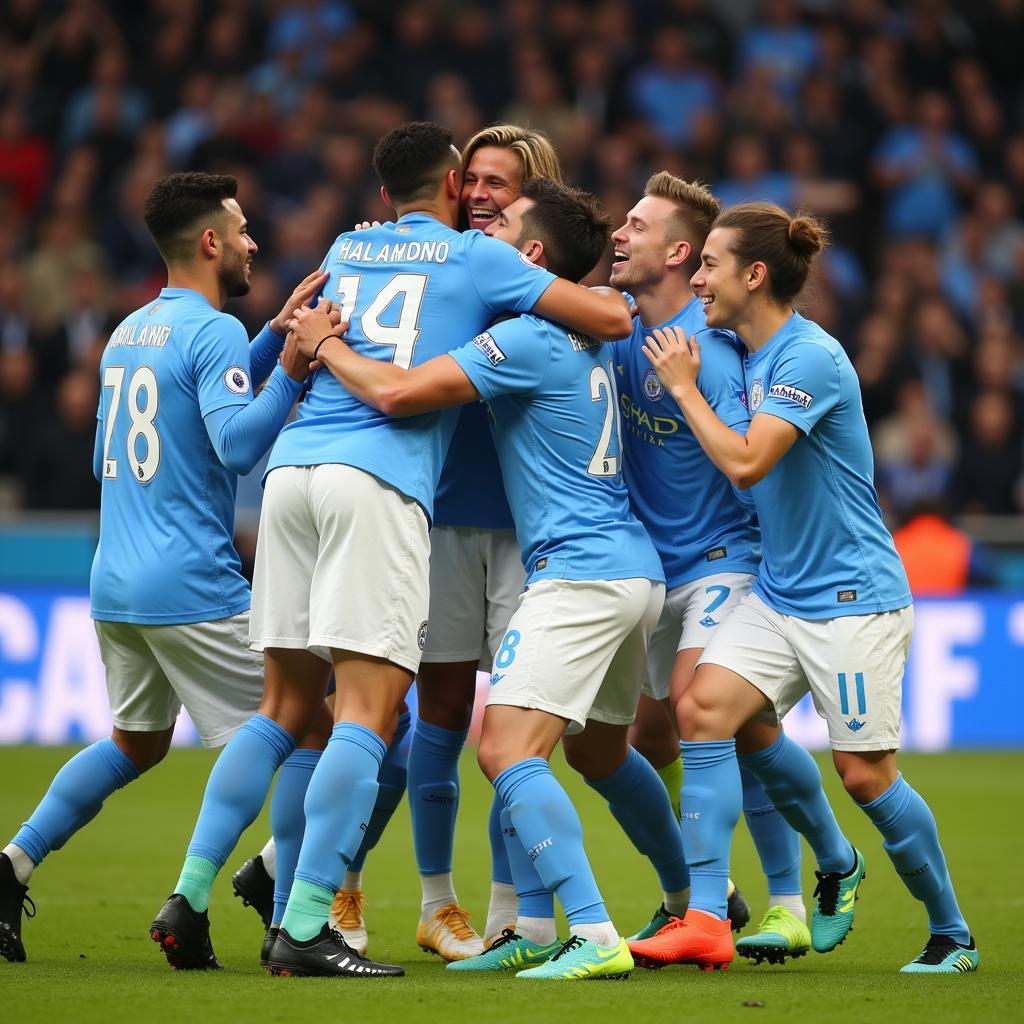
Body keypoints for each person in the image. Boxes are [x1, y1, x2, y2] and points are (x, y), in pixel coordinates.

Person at [150, 121, 631, 980]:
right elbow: (607, 312)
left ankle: (190, 891)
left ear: (382, 194)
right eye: (471, 183)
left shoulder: (346, 243)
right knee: (371, 717)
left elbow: (298, 328)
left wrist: (316, 342)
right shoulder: (475, 258)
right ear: (452, 184)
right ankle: (306, 922)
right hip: (377, 486)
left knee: (285, 709)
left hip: (290, 476)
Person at [288, 177, 674, 981]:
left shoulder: (527, 338)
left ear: (532, 255)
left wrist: (324, 345)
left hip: (577, 572)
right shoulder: (593, 333)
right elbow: (605, 307)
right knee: (601, 753)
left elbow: (396, 392)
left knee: (501, 746)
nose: (481, 234)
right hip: (634, 567)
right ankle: (692, 898)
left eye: (501, 227)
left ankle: (595, 934)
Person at [631, 201, 977, 975]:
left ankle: (951, 931)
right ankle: (709, 910)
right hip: (781, 591)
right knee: (711, 712)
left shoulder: (809, 357)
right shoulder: (737, 346)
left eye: (711, 265)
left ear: (755, 275)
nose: (700, 279)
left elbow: (749, 462)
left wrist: (684, 389)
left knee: (865, 774)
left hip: (851, 598)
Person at [0, 171, 322, 964]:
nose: (253, 243)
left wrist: (266, 341)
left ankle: (10, 865)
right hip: (190, 582)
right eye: (243, 230)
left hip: (114, 579)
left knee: (135, 743)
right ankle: (251, 901)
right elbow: (239, 444)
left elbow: (179, 407)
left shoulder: (130, 331)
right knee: (315, 719)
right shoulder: (210, 331)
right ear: (210, 241)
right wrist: (293, 365)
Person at [602, 171, 809, 963]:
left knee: (707, 713)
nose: (619, 234)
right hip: (655, 573)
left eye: (635, 224)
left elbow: (755, 467)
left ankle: (787, 894)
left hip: (727, 562)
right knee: (640, 739)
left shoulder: (712, 352)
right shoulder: (614, 329)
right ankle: (701, 894)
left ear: (678, 250)